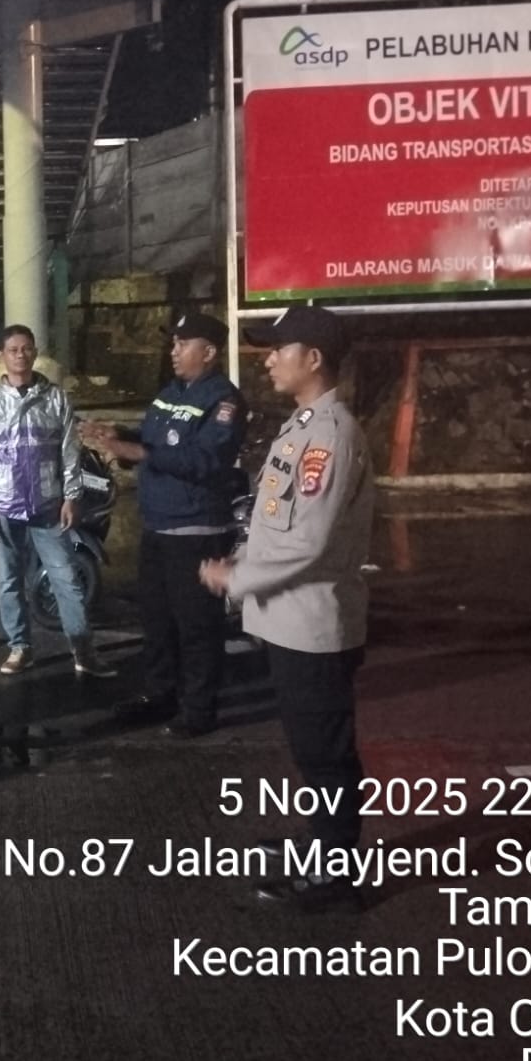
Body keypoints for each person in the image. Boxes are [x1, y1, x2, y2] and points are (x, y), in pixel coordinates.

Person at [199, 306, 374, 913]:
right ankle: (322, 844)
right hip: (289, 620)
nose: (269, 359)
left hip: (313, 624)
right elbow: (277, 522)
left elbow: (310, 542)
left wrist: (238, 578)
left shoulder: (330, 436)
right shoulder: (302, 426)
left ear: (314, 358)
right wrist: (244, 557)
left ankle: (336, 873)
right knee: (311, 750)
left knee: (326, 755)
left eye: (279, 349)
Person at [83, 311, 247, 738]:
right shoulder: (170, 393)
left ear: (208, 352)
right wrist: (118, 435)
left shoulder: (223, 401)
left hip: (196, 532)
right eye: (172, 343)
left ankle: (199, 709)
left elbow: (206, 459)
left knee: (196, 627)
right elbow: (153, 438)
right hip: (158, 526)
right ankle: (161, 696)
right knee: (157, 621)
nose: (173, 351)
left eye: (182, 344)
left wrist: (140, 453)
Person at [0, 325, 116, 678]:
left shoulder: (56, 399)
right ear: (0, 356)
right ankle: (20, 647)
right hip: (4, 506)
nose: (21, 355)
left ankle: (83, 650)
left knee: (66, 576)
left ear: (35, 353)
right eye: (13, 350)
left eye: (27, 349)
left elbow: (69, 453)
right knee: (9, 580)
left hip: (48, 506)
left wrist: (72, 497)